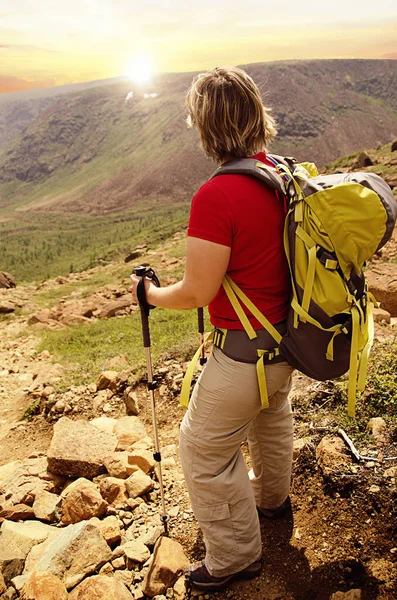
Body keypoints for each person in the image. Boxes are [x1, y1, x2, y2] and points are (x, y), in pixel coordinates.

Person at [130, 66, 294, 593]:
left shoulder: (217, 196)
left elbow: (198, 292)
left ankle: (236, 558)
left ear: (206, 125)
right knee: (270, 418)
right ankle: (272, 502)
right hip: (289, 344)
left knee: (202, 449)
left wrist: (150, 294)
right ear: (254, 113)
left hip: (241, 355)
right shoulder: (282, 174)